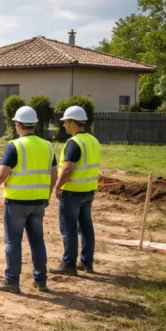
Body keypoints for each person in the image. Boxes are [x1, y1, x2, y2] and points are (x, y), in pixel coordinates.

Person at [0, 106, 58, 293]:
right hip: (38, 201)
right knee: (37, 241)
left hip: (17, 203)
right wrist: (47, 195)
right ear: (35, 125)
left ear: (17, 125)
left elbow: (3, 174)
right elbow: (54, 175)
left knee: (13, 242)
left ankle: (12, 281)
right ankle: (41, 280)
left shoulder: (15, 146)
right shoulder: (47, 146)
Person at [50, 106, 101, 276]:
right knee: (86, 227)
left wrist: (57, 186)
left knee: (69, 228)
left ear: (72, 123)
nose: (63, 125)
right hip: (88, 191)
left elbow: (68, 168)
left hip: (72, 192)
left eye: (65, 122)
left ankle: (69, 264)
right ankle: (87, 262)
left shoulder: (74, 143)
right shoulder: (93, 140)